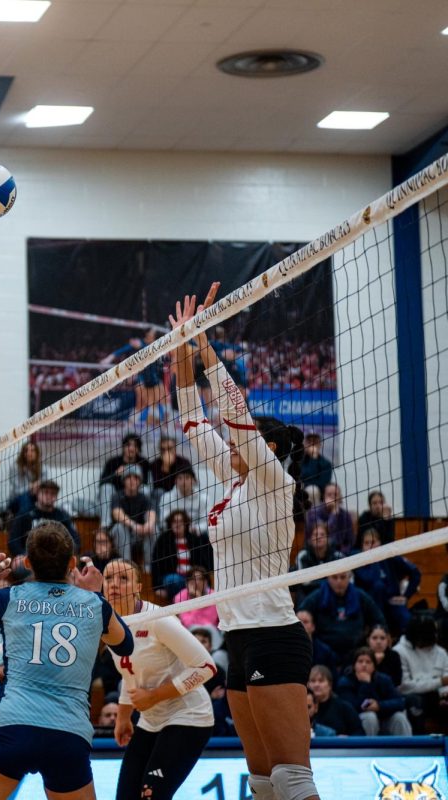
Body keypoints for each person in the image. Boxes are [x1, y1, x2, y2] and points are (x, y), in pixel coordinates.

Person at [172, 285, 319, 800]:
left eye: (245, 438)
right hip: (237, 634)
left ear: (268, 447)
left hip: (273, 633)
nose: (230, 441)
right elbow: (192, 419)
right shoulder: (231, 481)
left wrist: (207, 347)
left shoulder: (275, 482)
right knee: (262, 782)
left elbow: (233, 412)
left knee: (291, 777)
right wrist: (180, 348)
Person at [0, 524, 131, 799]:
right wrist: (96, 595)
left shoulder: (7, 598)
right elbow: (126, 644)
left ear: (28, 563)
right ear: (71, 563)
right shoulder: (95, 605)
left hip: (13, 729)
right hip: (68, 735)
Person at [105, 559, 216, 800]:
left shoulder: (159, 619)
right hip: (151, 719)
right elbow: (129, 674)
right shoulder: (109, 624)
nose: (114, 584)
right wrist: (123, 718)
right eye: (108, 578)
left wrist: (153, 696)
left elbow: (207, 667)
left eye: (123, 579)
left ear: (137, 586)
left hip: (189, 716)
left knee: (152, 796)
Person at [298, 573, 384, 665]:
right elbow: (300, 617)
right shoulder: (315, 597)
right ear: (328, 577)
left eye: (343, 577)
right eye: (334, 577)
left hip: (356, 652)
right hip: (323, 653)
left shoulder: (361, 597)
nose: (339, 581)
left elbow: (379, 622)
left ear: (349, 577)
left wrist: (375, 648)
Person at [352, 527, 420, 635]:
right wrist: (374, 561)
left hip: (392, 602)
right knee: (378, 587)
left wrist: (406, 596)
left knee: (408, 622)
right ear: (362, 546)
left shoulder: (389, 556)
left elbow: (415, 572)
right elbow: (372, 580)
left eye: (373, 542)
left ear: (380, 543)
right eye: (366, 543)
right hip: (370, 606)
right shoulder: (358, 562)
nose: (370, 546)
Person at [334, 647, 411, 736]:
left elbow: (400, 702)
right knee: (370, 716)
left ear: (374, 666)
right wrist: (365, 684)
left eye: (368, 662)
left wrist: (379, 706)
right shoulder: (345, 682)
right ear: (354, 665)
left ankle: (406, 748)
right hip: (357, 724)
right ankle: (367, 749)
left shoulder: (384, 679)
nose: (364, 665)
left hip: (383, 719)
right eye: (360, 661)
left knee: (399, 717)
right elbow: (352, 708)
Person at [395, 614, 448, 733]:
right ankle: (419, 742)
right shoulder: (399, 652)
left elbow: (446, 678)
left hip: (438, 695)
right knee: (415, 701)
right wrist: (439, 682)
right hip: (413, 696)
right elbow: (405, 687)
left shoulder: (441, 652)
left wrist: (444, 693)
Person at [149, 510, 213, 600]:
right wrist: (157, 588)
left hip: (191, 578)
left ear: (186, 524)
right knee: (172, 580)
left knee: (199, 580)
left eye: (181, 521)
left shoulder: (194, 540)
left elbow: (203, 564)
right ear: (170, 524)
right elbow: (156, 566)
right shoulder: (163, 540)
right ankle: (184, 599)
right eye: (174, 521)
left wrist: (207, 583)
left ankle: (186, 598)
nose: (177, 524)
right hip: (173, 578)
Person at [7, 479, 78, 557]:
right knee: (19, 566)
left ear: (57, 496)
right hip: (29, 557)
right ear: (37, 494)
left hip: (56, 559)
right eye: (45, 492)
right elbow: (13, 541)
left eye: (53, 494)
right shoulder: (25, 514)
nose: (49, 496)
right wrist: (22, 555)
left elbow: (75, 540)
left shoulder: (62, 516)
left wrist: (65, 555)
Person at [99, 433, 151, 527]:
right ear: (123, 447)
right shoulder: (113, 462)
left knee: (145, 489)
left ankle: (146, 524)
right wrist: (115, 474)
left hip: (135, 496)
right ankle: (106, 525)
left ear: (138, 449)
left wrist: (135, 478)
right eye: (128, 445)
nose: (131, 448)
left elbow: (147, 482)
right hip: (118, 498)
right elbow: (102, 482)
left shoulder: (144, 463)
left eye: (135, 446)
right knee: (106, 488)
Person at [109, 471, 156, 566]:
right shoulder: (117, 496)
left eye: (136, 478)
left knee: (153, 529)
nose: (132, 480)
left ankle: (149, 569)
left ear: (140, 481)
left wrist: (148, 525)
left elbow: (152, 513)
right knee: (119, 528)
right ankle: (126, 566)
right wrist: (134, 526)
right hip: (120, 536)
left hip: (139, 536)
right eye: (128, 477)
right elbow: (117, 514)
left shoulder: (145, 498)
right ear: (123, 480)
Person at [291, 521, 341, 602]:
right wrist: (329, 582)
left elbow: (348, 579)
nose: (319, 537)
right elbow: (305, 583)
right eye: (315, 535)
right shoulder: (303, 556)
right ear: (310, 539)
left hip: (333, 595)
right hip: (309, 596)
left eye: (322, 534)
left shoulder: (337, 555)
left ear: (328, 538)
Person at [306, 666, 362, 736]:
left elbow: (359, 732)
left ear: (330, 685)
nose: (316, 684)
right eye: (313, 681)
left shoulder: (344, 708)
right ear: (307, 685)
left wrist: (348, 738)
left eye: (321, 681)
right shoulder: (301, 709)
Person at [157, 469, 210, 537]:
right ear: (175, 481)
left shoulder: (203, 499)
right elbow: (163, 520)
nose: (183, 482)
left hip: (194, 534)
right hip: (172, 534)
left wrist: (195, 529)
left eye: (187, 478)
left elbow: (205, 522)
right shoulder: (166, 497)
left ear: (194, 481)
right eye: (180, 478)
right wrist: (177, 529)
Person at [305, 484, 354, 556]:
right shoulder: (313, 512)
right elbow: (325, 529)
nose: (332, 497)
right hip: (315, 553)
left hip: (338, 553)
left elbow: (349, 540)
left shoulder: (345, 515)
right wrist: (334, 513)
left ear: (340, 498)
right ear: (324, 496)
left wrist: (342, 553)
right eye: (329, 494)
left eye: (335, 494)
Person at [174, 566, 219, 630]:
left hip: (210, 633)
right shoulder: (180, 597)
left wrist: (199, 599)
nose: (197, 582)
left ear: (206, 582)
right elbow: (188, 624)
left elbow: (211, 622)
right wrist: (198, 600)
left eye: (201, 579)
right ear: (187, 582)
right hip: (190, 632)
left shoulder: (214, 596)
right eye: (193, 579)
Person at [299, 434, 334, 501]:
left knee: (312, 490)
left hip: (317, 494)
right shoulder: (299, 461)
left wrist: (314, 458)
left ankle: (312, 512)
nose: (312, 445)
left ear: (319, 445)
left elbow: (323, 484)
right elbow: (296, 479)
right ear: (305, 444)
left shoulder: (326, 463)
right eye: (309, 442)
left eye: (315, 442)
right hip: (298, 492)